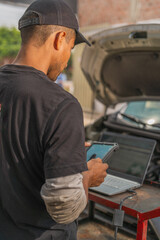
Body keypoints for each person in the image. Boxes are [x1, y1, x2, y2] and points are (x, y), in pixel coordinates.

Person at [0, 0, 108, 239]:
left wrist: (66, 154)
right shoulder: (62, 105)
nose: (67, 60)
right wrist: (88, 175)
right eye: (70, 48)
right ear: (59, 39)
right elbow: (64, 205)